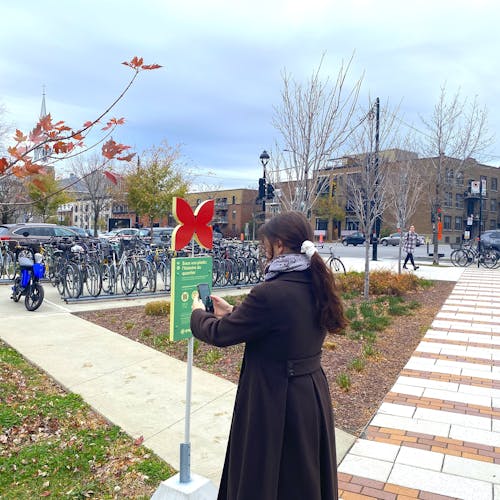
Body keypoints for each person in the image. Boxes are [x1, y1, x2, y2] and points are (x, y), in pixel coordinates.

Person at [191, 211, 347, 500]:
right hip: (310, 396)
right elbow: (282, 327)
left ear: (278, 245)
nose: (265, 253)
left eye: (265, 246)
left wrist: (197, 315)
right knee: (303, 477)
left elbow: (220, 334)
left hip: (274, 398)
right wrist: (234, 311)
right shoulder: (316, 283)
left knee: (268, 477)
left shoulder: (270, 292)